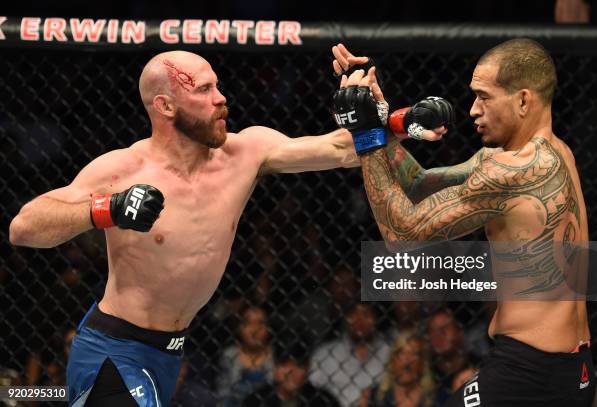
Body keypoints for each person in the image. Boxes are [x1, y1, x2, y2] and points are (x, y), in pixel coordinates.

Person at [7, 50, 365, 406]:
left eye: (218, 86)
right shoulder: (124, 170)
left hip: (170, 353)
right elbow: (23, 227)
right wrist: (108, 209)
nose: (221, 97)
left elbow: (341, 149)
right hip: (113, 351)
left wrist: (397, 119)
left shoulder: (246, 153)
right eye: (204, 90)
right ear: (165, 106)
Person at [332, 39, 594, 406]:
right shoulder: (554, 153)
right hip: (567, 368)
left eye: (484, 97)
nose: (472, 110)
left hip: (531, 373)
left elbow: (402, 234)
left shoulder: (517, 170)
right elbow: (419, 183)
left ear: (522, 100)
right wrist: (379, 114)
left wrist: (365, 136)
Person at [309, 302, 390, 407]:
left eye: (365, 315)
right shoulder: (324, 354)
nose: (360, 321)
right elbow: (311, 391)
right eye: (354, 315)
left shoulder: (389, 354)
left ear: (375, 319)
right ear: (346, 318)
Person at [242, 336, 340, 407]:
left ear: (308, 367)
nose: (291, 372)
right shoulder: (255, 402)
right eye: (284, 365)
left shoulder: (324, 402)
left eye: (298, 365)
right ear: (275, 368)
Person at [359, 333, 435, 407]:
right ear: (392, 361)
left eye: (414, 353)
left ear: (422, 363)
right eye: (402, 353)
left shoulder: (435, 397)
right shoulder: (374, 396)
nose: (407, 358)